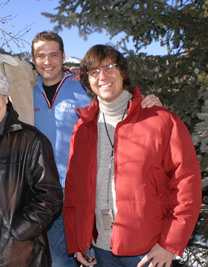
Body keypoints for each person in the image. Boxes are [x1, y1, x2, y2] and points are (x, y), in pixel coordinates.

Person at [31, 31, 163, 267]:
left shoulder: (82, 88)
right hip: (43, 191)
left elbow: (117, 98)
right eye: (41, 56)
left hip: (85, 190)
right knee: (57, 260)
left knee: (88, 254)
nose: (47, 61)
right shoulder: (27, 92)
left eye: (53, 54)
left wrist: (146, 103)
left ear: (63, 56)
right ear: (33, 59)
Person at [63, 44, 202, 267]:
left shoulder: (160, 120)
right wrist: (78, 241)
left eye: (109, 67)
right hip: (100, 250)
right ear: (88, 81)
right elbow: (73, 190)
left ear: (123, 73)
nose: (103, 76)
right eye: (94, 71)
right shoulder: (82, 128)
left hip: (148, 252)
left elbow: (187, 185)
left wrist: (168, 244)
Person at [0, 70, 63, 266]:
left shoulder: (32, 139)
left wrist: (17, 233)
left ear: (6, 98)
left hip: (15, 255)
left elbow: (50, 197)